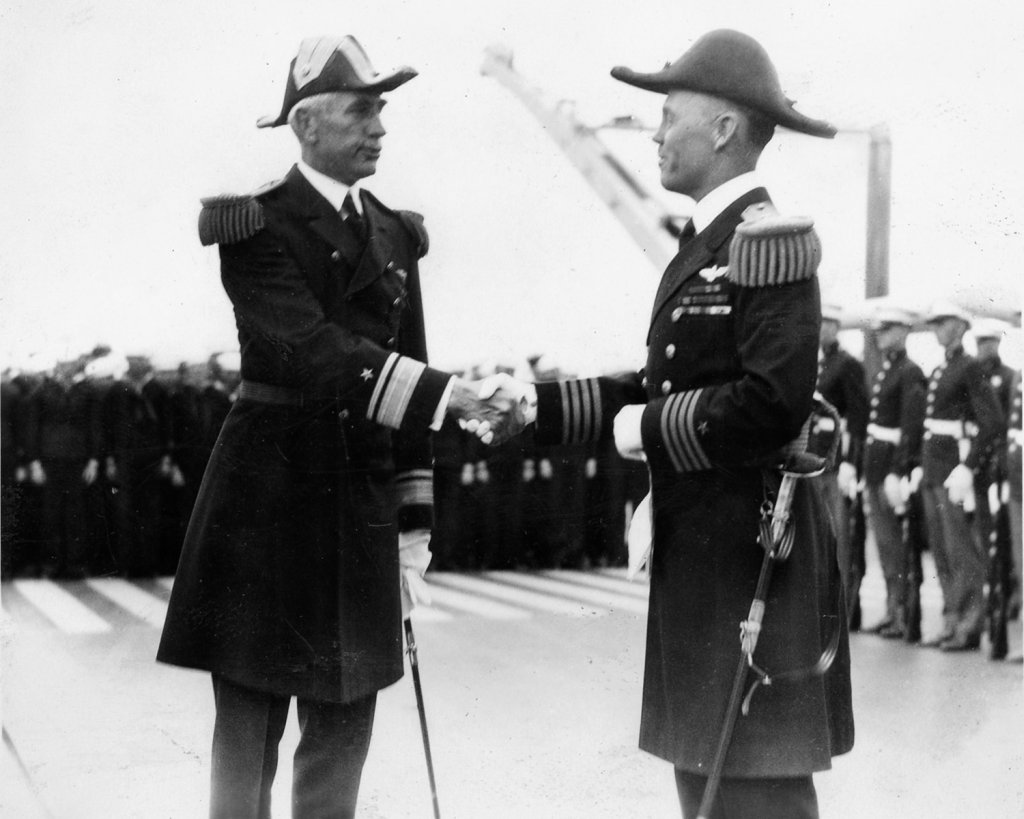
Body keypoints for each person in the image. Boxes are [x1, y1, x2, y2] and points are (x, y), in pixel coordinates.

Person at [488, 29, 853, 819]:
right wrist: (535, 406)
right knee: (709, 785)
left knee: (757, 793)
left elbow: (770, 403)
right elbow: (660, 381)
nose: (655, 133)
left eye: (668, 114)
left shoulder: (769, 242)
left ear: (723, 128)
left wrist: (640, 431)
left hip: (748, 558)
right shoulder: (707, 242)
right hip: (707, 557)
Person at [156, 36, 516, 818]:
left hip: (360, 509)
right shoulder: (254, 225)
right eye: (362, 111)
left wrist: (413, 528)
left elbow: (410, 369)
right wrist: (450, 395)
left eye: (381, 111)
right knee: (248, 737)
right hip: (267, 506)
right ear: (307, 124)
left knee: (344, 728)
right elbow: (314, 352)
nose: (379, 127)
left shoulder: (395, 232)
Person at [918, 301, 1004, 650]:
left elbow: (993, 421)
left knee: (960, 549)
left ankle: (970, 623)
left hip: (953, 469)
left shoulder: (969, 367)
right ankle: (952, 619)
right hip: (934, 467)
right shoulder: (942, 368)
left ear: (960, 326)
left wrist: (968, 466)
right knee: (941, 549)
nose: (937, 329)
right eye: (935, 323)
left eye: (943, 322)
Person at [860, 307, 927, 640]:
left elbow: (910, 426)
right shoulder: (887, 369)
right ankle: (892, 609)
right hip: (876, 466)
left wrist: (898, 470)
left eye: (887, 330)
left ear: (903, 332)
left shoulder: (910, 372)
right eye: (879, 331)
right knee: (885, 545)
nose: (881, 336)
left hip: (890, 467)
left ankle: (902, 613)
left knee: (896, 546)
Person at [811, 304, 869, 629]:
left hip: (837, 461)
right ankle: (825, 606)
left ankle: (844, 609)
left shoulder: (847, 364)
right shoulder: (818, 363)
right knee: (820, 538)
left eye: (824, 324)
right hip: (817, 460)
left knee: (841, 540)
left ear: (835, 327)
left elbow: (858, 418)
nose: (819, 329)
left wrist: (851, 463)